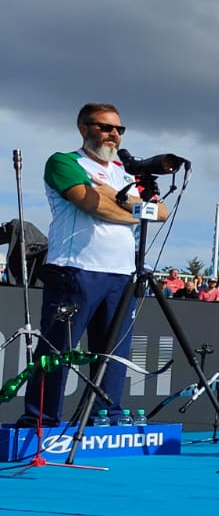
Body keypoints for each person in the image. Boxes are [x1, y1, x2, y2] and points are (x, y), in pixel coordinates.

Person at [24, 103, 169, 427]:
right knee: (57, 350)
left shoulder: (125, 170)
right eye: (105, 127)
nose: (113, 134)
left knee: (113, 353)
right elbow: (91, 206)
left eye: (118, 129)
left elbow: (161, 213)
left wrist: (112, 196)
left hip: (121, 273)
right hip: (76, 269)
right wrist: (128, 206)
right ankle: (41, 420)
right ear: (83, 128)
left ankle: (107, 416)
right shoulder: (64, 161)